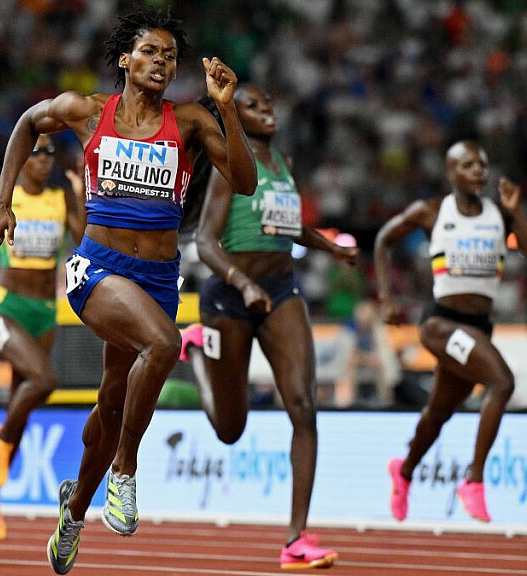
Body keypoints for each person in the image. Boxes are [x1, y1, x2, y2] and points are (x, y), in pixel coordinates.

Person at [0, 8, 257, 574]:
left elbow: (246, 182)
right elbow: (28, 123)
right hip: (98, 269)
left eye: (170, 56)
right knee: (164, 345)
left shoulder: (191, 121)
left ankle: (75, 510)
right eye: (150, 51)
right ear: (126, 60)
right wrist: (2, 199)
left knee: (111, 404)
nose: (162, 62)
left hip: (158, 278)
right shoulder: (87, 112)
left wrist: (227, 108)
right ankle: (125, 471)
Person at [180, 84, 352, 570]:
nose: (266, 109)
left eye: (268, 103)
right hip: (228, 297)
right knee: (230, 431)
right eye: (252, 106)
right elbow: (205, 243)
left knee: (303, 406)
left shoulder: (284, 164)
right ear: (233, 117)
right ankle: (197, 353)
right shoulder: (229, 167)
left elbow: (288, 226)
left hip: (279, 292)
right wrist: (242, 283)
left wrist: (332, 248)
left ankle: (296, 538)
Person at [375, 141, 527, 523]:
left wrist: (516, 214)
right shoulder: (432, 211)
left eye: (482, 165)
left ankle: (403, 471)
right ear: (450, 173)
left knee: (439, 412)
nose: (478, 171)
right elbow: (383, 239)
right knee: (502, 382)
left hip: (478, 329)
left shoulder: (499, 215)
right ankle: (473, 480)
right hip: (440, 323)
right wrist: (386, 298)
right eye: (468, 165)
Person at [0, 134, 86, 541]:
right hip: (6, 310)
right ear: (21, 157)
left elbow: (84, 239)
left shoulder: (60, 200)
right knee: (44, 380)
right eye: (36, 151)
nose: (44, 158)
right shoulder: (0, 199)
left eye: (50, 152)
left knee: (23, 403)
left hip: (44, 314)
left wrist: (81, 194)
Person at [332, 299, 401, 408]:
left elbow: (383, 352)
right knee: (349, 367)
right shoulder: (348, 330)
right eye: (361, 319)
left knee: (382, 366)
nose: (364, 323)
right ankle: (346, 404)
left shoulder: (379, 331)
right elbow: (347, 354)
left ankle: (386, 403)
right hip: (354, 362)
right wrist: (361, 358)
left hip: (373, 362)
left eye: (367, 319)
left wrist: (371, 358)